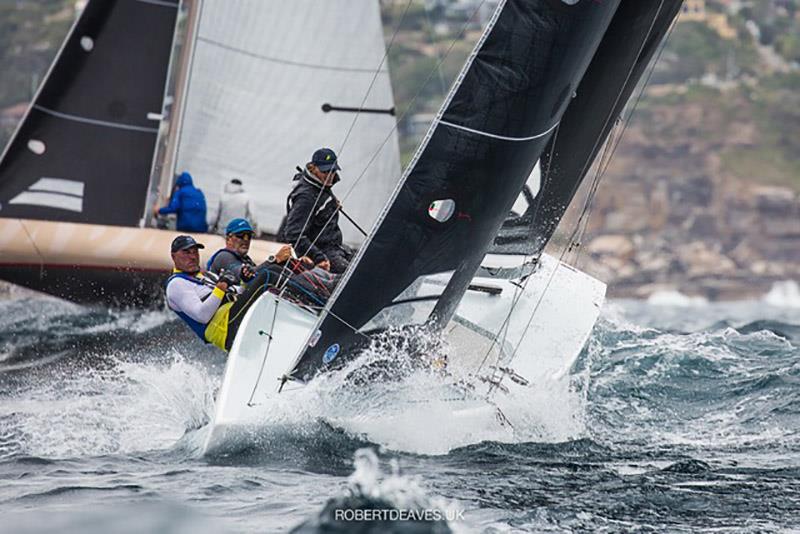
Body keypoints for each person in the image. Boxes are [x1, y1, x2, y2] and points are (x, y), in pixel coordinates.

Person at [165, 234, 274, 351]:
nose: (193, 257)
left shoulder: (203, 275)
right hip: (226, 329)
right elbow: (202, 315)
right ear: (173, 256)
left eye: (195, 252)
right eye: (186, 252)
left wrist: (244, 283)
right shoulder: (176, 284)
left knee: (273, 271)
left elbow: (237, 291)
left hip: (233, 316)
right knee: (268, 276)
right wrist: (221, 288)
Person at [277, 147, 351, 274]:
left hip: (335, 247)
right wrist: (318, 258)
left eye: (333, 171)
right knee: (352, 273)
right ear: (313, 168)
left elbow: (319, 202)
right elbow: (293, 233)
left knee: (363, 260)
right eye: (325, 171)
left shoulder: (320, 185)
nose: (330, 175)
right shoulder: (306, 197)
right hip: (322, 253)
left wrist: (331, 203)